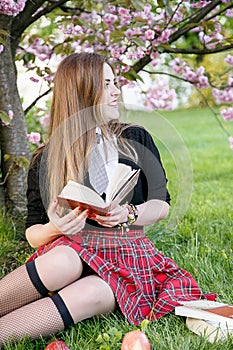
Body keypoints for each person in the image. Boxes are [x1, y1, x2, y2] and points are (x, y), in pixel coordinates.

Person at [0, 52, 216, 346]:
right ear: (82, 92)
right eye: (106, 84)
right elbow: (33, 234)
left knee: (95, 292)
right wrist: (56, 227)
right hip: (70, 254)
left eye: (116, 82)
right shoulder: (47, 159)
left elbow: (161, 206)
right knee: (64, 259)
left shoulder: (136, 138)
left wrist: (127, 214)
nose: (116, 91)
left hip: (125, 256)